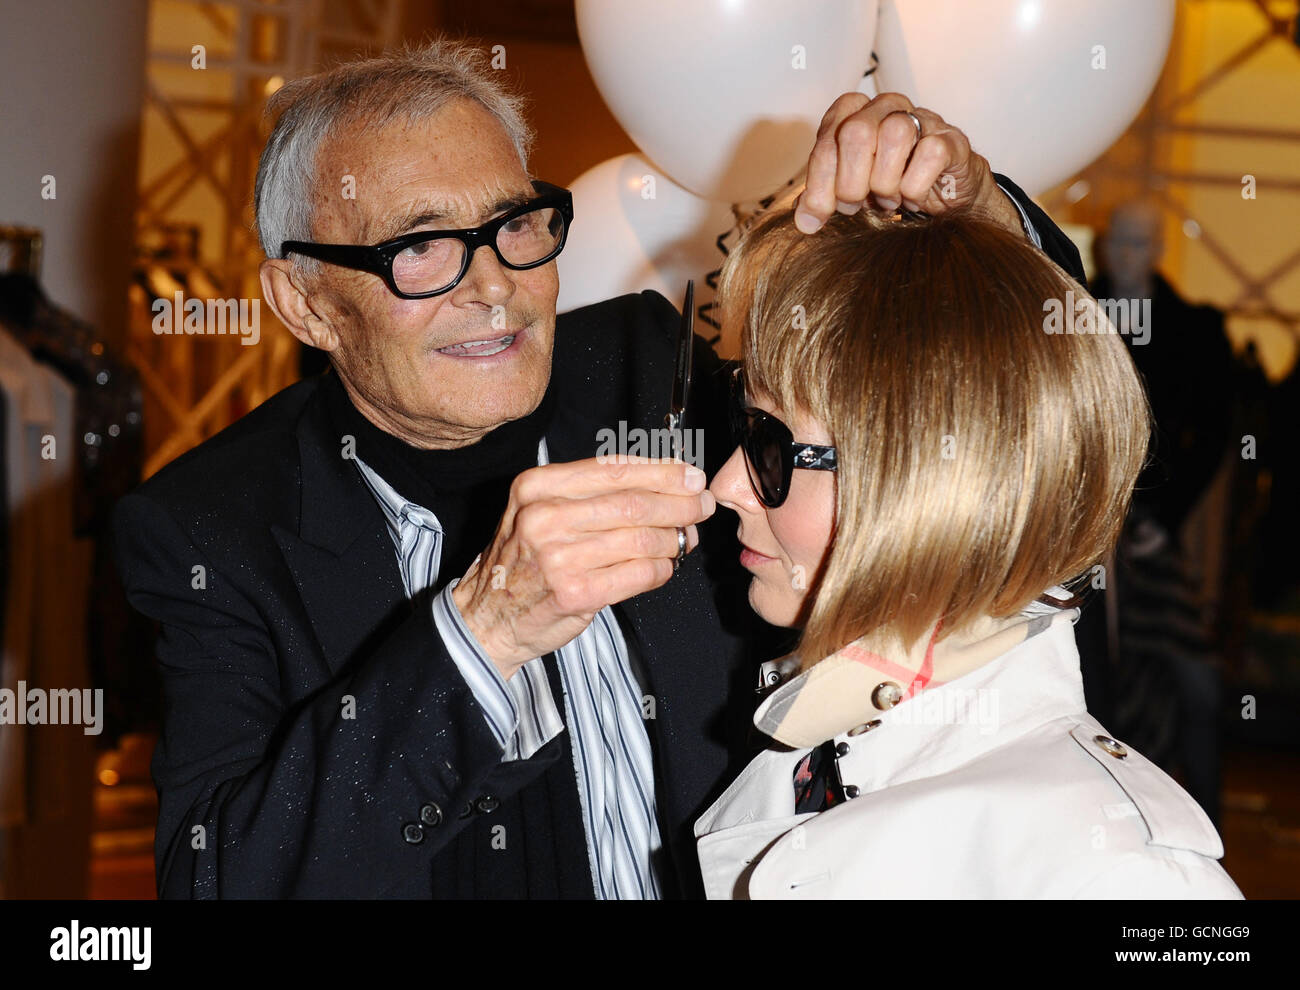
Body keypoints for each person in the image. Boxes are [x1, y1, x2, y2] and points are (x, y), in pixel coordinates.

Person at [112, 39, 1084, 899]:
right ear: (307, 303)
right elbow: (217, 879)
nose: (494, 286)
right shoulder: (211, 527)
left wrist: (975, 207)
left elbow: (1008, 416)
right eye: (420, 249)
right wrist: (478, 634)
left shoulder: (645, 374)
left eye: (515, 224)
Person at [696, 206, 1244, 899]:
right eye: (744, 428)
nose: (725, 485)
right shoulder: (815, 754)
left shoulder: (1118, 874)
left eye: (771, 446)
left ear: (926, 479)